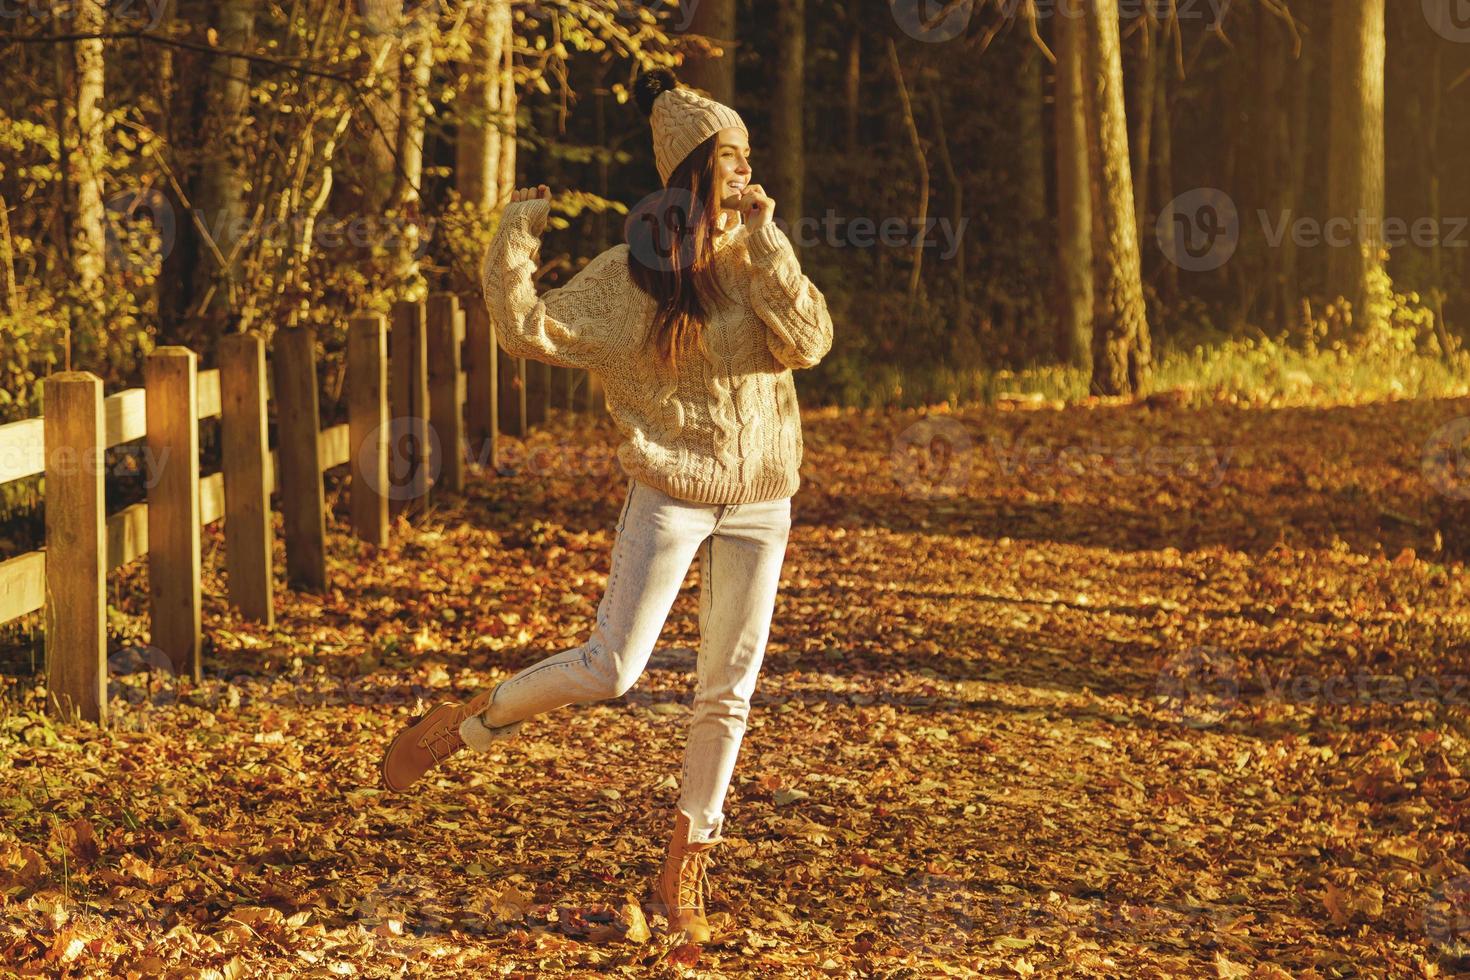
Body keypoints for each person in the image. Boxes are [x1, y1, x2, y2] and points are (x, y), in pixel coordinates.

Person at [379, 66, 834, 943]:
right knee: (611, 669)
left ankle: (683, 868)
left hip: (763, 501)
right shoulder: (633, 279)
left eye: (749, 155)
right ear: (695, 169)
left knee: (728, 692)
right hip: (671, 492)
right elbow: (528, 328)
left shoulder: (760, 257)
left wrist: (770, 243)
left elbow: (811, 342)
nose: (747, 172)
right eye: (732, 158)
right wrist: (514, 238)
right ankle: (465, 727)